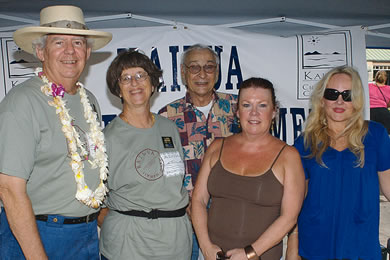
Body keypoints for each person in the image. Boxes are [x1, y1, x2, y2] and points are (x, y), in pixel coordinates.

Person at [0, 5, 112, 260]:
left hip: (84, 233)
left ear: (88, 51)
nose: (70, 51)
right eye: (59, 42)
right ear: (40, 51)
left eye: (78, 43)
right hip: (37, 234)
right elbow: (8, 189)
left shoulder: (89, 100)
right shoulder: (23, 102)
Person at [192, 77, 305, 260]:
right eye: (246, 105)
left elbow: (289, 218)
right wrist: (205, 247)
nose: (254, 113)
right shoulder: (216, 147)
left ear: (274, 111)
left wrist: (250, 253)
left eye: (262, 105)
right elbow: (198, 200)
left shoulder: (288, 156)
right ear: (237, 112)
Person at [287, 66, 390, 260]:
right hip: (314, 249)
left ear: (357, 99)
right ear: (322, 98)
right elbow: (294, 205)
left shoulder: (376, 135)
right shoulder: (305, 143)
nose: (339, 100)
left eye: (347, 94)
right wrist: (292, 249)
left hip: (361, 249)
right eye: (332, 93)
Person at [99, 50, 192, 260]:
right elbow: (95, 201)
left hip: (175, 243)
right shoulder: (107, 138)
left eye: (141, 75)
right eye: (126, 78)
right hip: (129, 246)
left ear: (152, 84)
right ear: (118, 89)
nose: (135, 83)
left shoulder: (169, 128)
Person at [158, 44, 239, 259]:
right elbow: (165, 171)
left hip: (231, 213)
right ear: (183, 73)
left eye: (209, 67)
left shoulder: (237, 108)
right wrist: (189, 206)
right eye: (194, 68)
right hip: (185, 216)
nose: (202, 74)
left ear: (218, 72)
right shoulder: (167, 116)